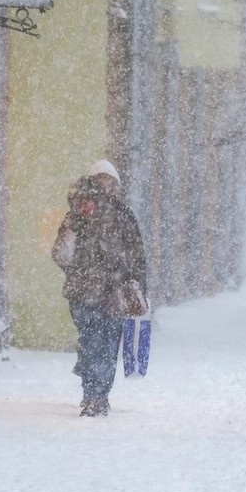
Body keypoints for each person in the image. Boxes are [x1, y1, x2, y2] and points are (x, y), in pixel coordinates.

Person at [52, 160, 148, 417]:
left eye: (109, 181)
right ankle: (94, 394)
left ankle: (98, 394)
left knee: (102, 345)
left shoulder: (114, 214)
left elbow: (136, 256)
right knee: (95, 344)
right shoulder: (81, 215)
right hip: (91, 294)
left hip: (106, 294)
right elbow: (62, 255)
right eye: (101, 181)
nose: (105, 187)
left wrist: (137, 286)